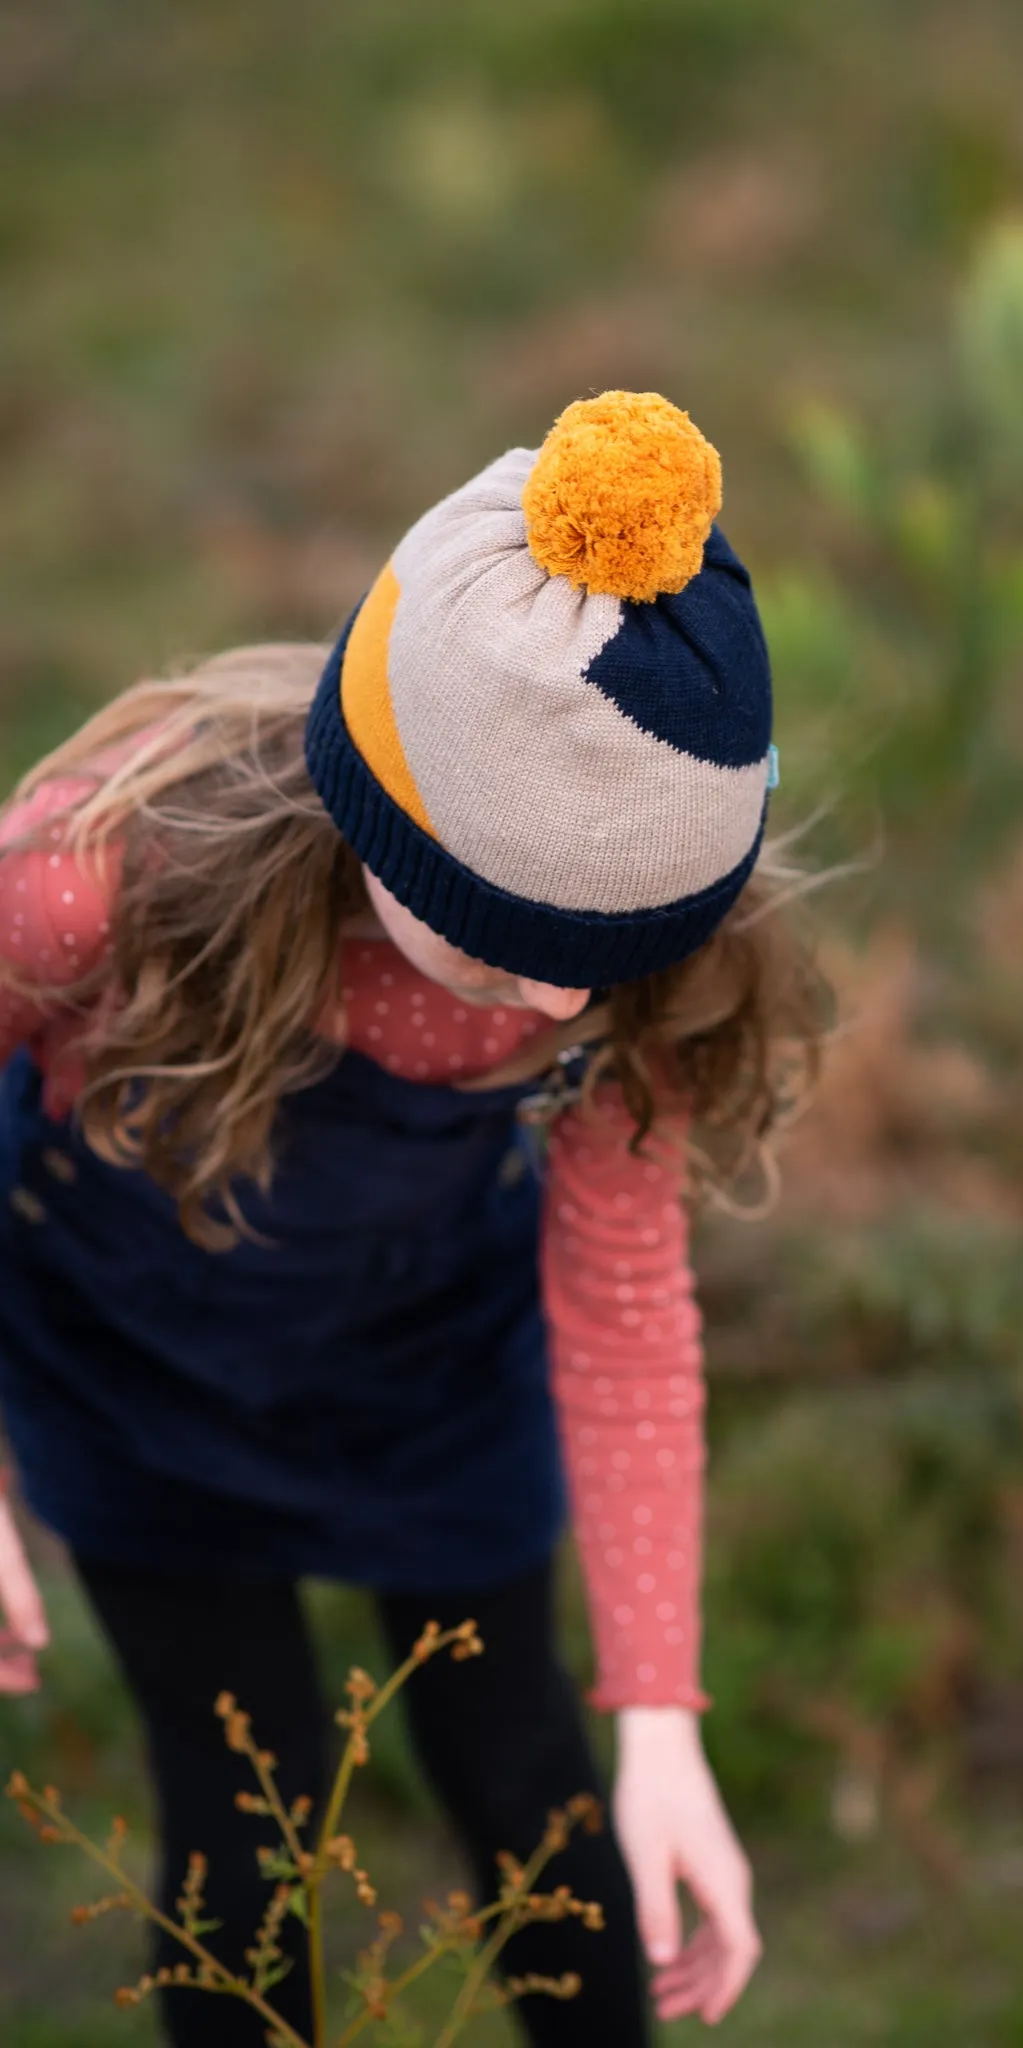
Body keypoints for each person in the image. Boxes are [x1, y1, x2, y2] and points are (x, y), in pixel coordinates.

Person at [0, 390, 826, 2044]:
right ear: (382, 818)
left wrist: (663, 1719)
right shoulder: (97, 882)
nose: (553, 991)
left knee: (529, 1769)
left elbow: (625, 1324)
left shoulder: (618, 993)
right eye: (494, 934)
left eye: (610, 944)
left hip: (429, 1380)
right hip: (136, 1379)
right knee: (248, 1802)